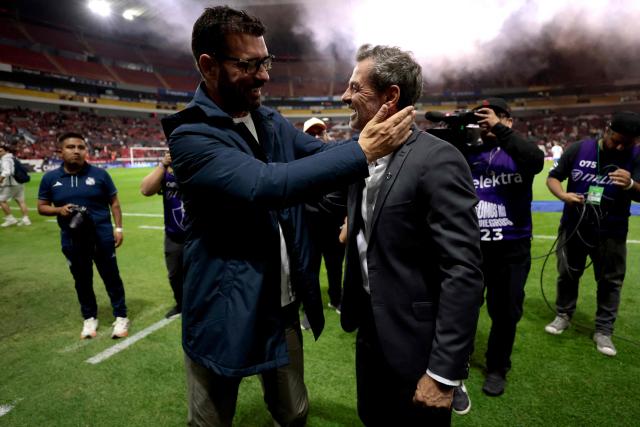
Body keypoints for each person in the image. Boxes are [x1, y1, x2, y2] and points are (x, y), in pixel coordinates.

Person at [160, 6, 414, 427]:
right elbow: (266, 185)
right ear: (208, 65)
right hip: (223, 308)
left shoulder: (268, 120)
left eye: (265, 61)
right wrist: (365, 149)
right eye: (249, 64)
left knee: (294, 412)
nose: (263, 75)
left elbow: (319, 155)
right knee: (210, 420)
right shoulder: (190, 136)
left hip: (280, 303)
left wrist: (389, 140)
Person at [339, 44, 484, 426]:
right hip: (370, 332)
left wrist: (443, 373)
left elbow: (463, 271)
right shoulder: (359, 153)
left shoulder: (438, 159)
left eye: (355, 88)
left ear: (391, 96)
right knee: (372, 418)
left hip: (417, 341)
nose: (344, 96)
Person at [457, 98, 544, 400]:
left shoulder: (518, 152)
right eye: (482, 119)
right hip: (470, 248)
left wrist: (499, 130)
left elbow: (536, 160)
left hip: (511, 249)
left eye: (492, 117)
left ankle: (497, 367)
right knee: (462, 309)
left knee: (505, 312)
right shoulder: (467, 153)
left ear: (508, 120)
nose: (486, 123)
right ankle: (458, 362)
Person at [544, 111, 640, 357]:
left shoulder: (637, 156)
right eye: (615, 140)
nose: (619, 146)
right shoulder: (579, 148)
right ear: (607, 130)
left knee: (610, 282)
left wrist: (631, 185)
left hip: (612, 230)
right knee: (567, 274)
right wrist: (563, 196)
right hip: (574, 225)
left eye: (626, 143)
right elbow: (553, 178)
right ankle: (563, 314)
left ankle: (604, 330)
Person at [37, 132, 130, 339]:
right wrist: (58, 210)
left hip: (102, 237)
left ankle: (121, 316)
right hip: (72, 240)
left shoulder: (100, 174)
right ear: (60, 151)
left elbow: (114, 203)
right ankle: (89, 318)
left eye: (81, 147)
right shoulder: (50, 178)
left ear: (86, 150)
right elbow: (42, 207)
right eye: (71, 147)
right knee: (82, 280)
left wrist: (119, 228)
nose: (76, 151)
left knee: (111, 277)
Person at [303, 117, 345, 314]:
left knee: (335, 266)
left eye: (320, 133)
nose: (317, 137)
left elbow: (343, 195)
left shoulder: (338, 158)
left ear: (327, 134)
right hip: (309, 229)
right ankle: (311, 307)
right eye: (311, 134)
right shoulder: (297, 162)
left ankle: (336, 299)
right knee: (309, 268)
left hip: (332, 227)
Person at [140, 151, 184, 319]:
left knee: (201, 275)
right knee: (175, 275)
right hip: (174, 235)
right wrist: (163, 164)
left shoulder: (198, 169)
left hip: (198, 236)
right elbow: (145, 190)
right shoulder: (166, 174)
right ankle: (181, 304)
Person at [0, 143, 31, 227]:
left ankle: (10, 219)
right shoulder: (13, 157)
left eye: (1, 151)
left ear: (6, 151)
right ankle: (26, 219)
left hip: (11, 184)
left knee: (1, 200)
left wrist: (0, 180)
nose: (0, 153)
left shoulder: (5, 159)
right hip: (19, 183)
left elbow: (6, 171)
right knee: (20, 201)